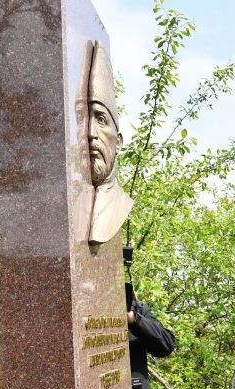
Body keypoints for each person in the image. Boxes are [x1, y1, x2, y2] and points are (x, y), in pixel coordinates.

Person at [87, 40, 132, 244]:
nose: (90, 133)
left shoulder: (120, 204)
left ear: (118, 142)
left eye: (101, 120)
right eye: (83, 119)